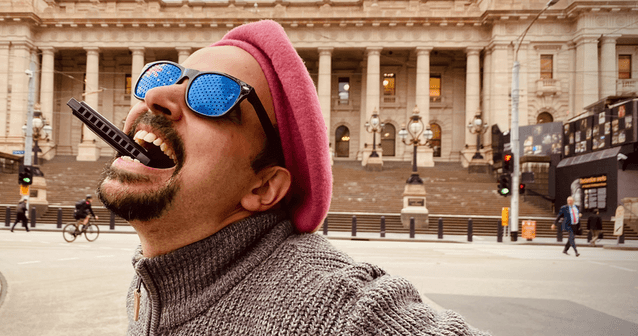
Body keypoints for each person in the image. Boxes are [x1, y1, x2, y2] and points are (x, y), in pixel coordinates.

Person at [96, 20, 488, 335]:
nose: (156, 97)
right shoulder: (159, 275)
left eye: (214, 96)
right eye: (161, 77)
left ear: (264, 186)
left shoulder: (327, 306)